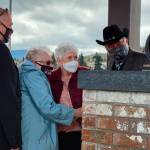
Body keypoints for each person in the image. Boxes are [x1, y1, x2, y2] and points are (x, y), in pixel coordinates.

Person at [19, 48, 81, 150]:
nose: (50, 66)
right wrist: (75, 112)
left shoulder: (29, 73)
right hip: (38, 135)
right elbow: (47, 107)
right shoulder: (33, 74)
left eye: (51, 62)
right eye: (47, 62)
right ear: (35, 63)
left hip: (38, 132)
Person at [48, 43, 88, 150]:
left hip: (79, 130)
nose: (74, 61)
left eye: (75, 57)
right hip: (57, 132)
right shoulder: (51, 78)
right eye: (69, 58)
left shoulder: (85, 73)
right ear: (59, 60)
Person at [0, 8, 21, 150]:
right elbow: (7, 99)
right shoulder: (1, 52)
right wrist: (15, 142)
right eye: (9, 25)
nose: (11, 29)